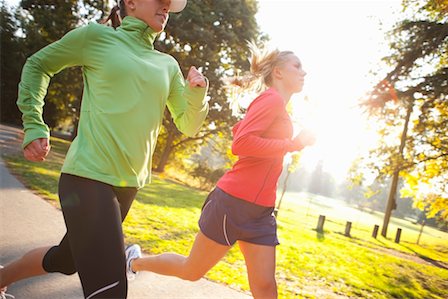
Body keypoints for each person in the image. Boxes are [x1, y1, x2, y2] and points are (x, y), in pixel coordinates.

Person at [0, 0, 209, 298]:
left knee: (66, 259)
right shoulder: (95, 38)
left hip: (127, 187)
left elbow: (188, 124)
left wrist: (197, 94)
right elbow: (38, 65)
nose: (166, 6)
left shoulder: (167, 65)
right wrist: (34, 124)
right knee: (111, 291)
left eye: (169, 3)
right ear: (131, 3)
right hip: (88, 177)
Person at [125, 42, 316, 299]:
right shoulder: (270, 99)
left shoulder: (278, 106)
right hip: (233, 204)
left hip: (260, 212)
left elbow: (244, 133)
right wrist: (293, 144)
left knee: (265, 288)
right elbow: (242, 144)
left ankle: (134, 261)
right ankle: (134, 262)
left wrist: (291, 144)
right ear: (279, 73)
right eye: (297, 66)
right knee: (191, 270)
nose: (304, 72)